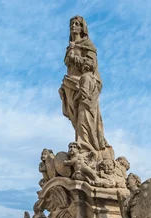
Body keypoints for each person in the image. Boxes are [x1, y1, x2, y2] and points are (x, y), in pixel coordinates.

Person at [59, 15, 107, 152]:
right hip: (70, 84)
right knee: (74, 117)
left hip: (85, 84)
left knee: (84, 113)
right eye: (72, 24)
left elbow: (90, 65)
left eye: (76, 24)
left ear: (82, 28)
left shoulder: (87, 45)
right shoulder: (69, 47)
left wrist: (74, 57)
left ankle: (86, 145)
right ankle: (82, 141)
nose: (73, 26)